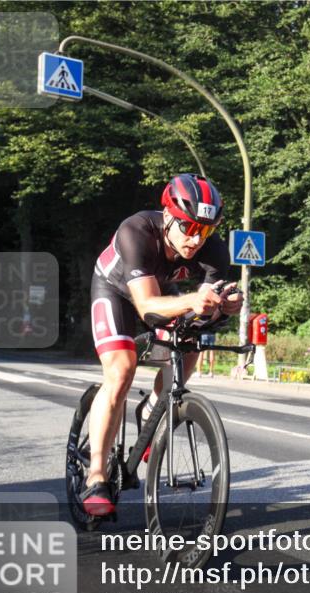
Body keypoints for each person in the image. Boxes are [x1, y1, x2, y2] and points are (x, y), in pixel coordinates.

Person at [84, 173, 243, 516]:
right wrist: (193, 301)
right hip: (115, 290)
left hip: (161, 292)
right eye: (189, 227)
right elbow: (146, 307)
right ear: (168, 215)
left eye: (205, 230)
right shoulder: (136, 231)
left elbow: (205, 311)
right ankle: (96, 474)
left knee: (189, 348)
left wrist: (224, 306)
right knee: (121, 370)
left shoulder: (213, 249)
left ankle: (151, 410)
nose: (196, 239)